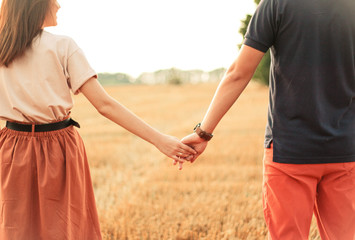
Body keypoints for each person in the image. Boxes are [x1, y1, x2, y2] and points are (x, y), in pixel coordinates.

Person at [0, 0, 196, 239]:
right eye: (54, 0)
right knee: (66, 230)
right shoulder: (63, 46)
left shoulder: (3, 49)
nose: (59, 5)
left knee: (15, 229)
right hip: (58, 148)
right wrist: (159, 140)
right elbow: (104, 105)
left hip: (11, 149)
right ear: (36, 4)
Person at [181, 0, 355, 239]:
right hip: (345, 151)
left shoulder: (276, 4)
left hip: (289, 153)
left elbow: (238, 73)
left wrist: (204, 132)